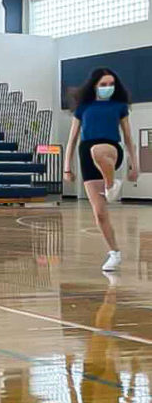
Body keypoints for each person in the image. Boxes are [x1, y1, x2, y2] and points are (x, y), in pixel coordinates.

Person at [64, 68, 139, 271]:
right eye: (104, 84)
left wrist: (135, 165)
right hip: (87, 156)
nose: (108, 88)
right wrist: (67, 167)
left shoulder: (119, 107)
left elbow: (129, 138)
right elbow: (72, 140)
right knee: (100, 213)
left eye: (111, 84)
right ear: (95, 86)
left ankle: (110, 183)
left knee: (98, 151)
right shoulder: (83, 108)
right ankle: (114, 253)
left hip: (111, 150)